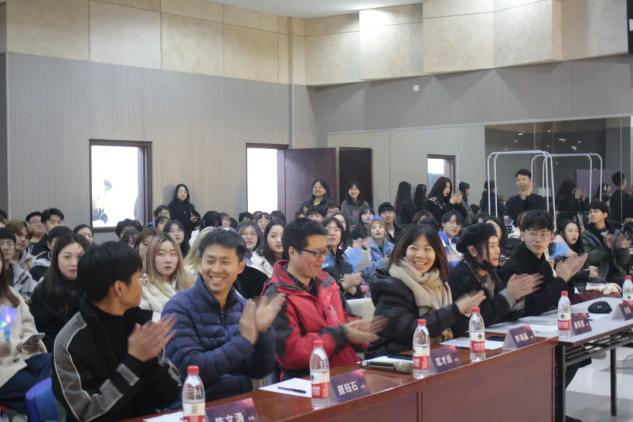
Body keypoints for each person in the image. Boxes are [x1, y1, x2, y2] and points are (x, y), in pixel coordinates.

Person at [52, 242, 181, 421]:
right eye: (139, 278)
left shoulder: (140, 321)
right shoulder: (71, 342)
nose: (142, 285)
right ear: (119, 288)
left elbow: (170, 394)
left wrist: (150, 360)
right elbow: (87, 415)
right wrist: (134, 361)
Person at [163, 230, 283, 400]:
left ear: (240, 266)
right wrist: (244, 341)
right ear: (200, 263)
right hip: (196, 405)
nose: (216, 269)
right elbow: (191, 369)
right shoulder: (178, 308)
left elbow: (258, 371)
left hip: (240, 402)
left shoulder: (244, 307)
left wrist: (263, 333)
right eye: (210, 261)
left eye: (225, 262)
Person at [264, 218, 382, 377]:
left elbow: (345, 317)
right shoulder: (277, 295)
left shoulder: (327, 281)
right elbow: (291, 354)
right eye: (315, 253)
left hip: (346, 372)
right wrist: (341, 335)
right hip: (310, 380)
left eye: (324, 251)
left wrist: (359, 330)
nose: (322, 258)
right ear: (292, 252)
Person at [366, 225, 485, 357]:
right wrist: (455, 310)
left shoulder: (440, 282)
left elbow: (451, 329)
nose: (420, 255)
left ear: (437, 253)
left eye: (427, 249)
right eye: (414, 248)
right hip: (390, 358)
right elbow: (409, 331)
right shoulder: (392, 284)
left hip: (429, 353)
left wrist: (463, 313)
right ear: (404, 250)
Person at [448, 223, 541, 335]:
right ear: (473, 250)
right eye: (492, 246)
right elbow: (480, 318)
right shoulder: (462, 277)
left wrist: (517, 297)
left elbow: (506, 316)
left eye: (497, 245)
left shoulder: (492, 273)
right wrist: (509, 295)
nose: (498, 251)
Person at [500, 210, 587, 316]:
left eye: (543, 234)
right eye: (533, 234)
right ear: (522, 234)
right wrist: (561, 279)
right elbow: (532, 307)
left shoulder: (542, 262)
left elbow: (560, 298)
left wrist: (567, 278)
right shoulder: (514, 265)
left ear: (551, 237)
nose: (538, 239)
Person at [0, 251, 50, 415]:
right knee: (39, 392)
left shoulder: (10, 294)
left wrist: (30, 339)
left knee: (55, 365)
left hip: (23, 356)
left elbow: (27, 323)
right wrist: (17, 344)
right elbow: (4, 339)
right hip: (3, 368)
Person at [29, 233, 90, 351]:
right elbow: (44, 335)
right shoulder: (42, 291)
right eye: (67, 257)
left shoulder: (97, 286)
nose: (74, 263)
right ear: (56, 258)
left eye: (80, 257)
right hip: (57, 351)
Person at [141, 234, 193, 318]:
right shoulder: (143, 288)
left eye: (173, 254)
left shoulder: (189, 283)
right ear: (151, 257)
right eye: (161, 254)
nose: (168, 260)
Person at [581, 200, 630, 282]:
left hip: (617, 275)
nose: (592, 214)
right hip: (598, 277)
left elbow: (623, 261)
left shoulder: (616, 233)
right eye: (590, 212)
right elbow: (588, 259)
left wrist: (623, 249)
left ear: (605, 214)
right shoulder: (585, 235)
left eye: (596, 211)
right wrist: (605, 247)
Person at [322, 217, 364, 299]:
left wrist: (355, 289)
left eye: (337, 230)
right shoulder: (317, 260)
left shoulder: (345, 260)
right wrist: (343, 286)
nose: (332, 233)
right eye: (327, 229)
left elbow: (358, 292)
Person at [0, 229, 39, 302]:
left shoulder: (23, 276)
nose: (5, 248)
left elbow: (37, 292)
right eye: (1, 244)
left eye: (9, 244)